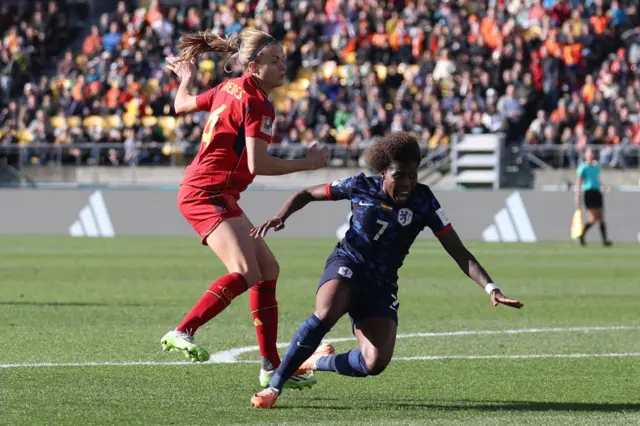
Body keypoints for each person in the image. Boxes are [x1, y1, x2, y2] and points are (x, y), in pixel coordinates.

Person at [249, 132, 524, 409]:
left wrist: (492, 288)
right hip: (348, 263)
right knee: (326, 313)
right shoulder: (359, 185)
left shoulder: (424, 200)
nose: (406, 183)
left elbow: (457, 250)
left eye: (413, 175)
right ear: (383, 171)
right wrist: (281, 215)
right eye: (399, 175)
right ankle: (274, 386)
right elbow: (307, 193)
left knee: (374, 362)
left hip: (381, 283)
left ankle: (317, 361)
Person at [160, 28, 328, 391]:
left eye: (283, 59)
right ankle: (182, 330)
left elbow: (181, 105)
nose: (284, 66)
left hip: (216, 193)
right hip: (206, 193)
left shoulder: (229, 87)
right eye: (274, 61)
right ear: (253, 66)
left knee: (268, 270)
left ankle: (270, 367)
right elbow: (257, 164)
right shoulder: (257, 102)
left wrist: (186, 80)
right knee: (246, 271)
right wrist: (307, 164)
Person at [575, 147, 613, 247]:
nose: (590, 155)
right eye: (588, 153)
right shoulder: (582, 167)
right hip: (589, 193)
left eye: (592, 153)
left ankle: (605, 240)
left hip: (597, 192)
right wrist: (577, 195)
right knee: (593, 218)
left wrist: (604, 187)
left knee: (601, 217)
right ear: (585, 155)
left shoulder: (596, 167)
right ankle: (581, 235)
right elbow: (578, 183)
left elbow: (596, 180)